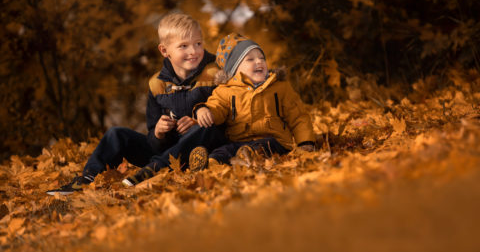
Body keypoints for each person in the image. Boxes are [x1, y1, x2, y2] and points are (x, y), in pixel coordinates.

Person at [47, 13, 227, 195]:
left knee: (206, 128)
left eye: (198, 43)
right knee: (116, 134)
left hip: (199, 149)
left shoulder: (215, 73)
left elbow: (228, 110)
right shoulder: (157, 83)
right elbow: (153, 141)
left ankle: (155, 170)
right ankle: (87, 179)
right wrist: (158, 133)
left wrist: (200, 118)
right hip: (167, 149)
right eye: (184, 46)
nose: (193, 51)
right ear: (165, 51)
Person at [194, 33, 316, 167]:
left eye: (262, 58)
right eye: (250, 59)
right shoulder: (226, 90)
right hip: (238, 141)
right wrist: (205, 110)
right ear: (235, 70)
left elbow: (298, 116)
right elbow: (217, 106)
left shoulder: (279, 87)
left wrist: (305, 142)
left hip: (275, 141)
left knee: (264, 145)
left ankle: (248, 155)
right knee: (224, 151)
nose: (259, 61)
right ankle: (211, 162)